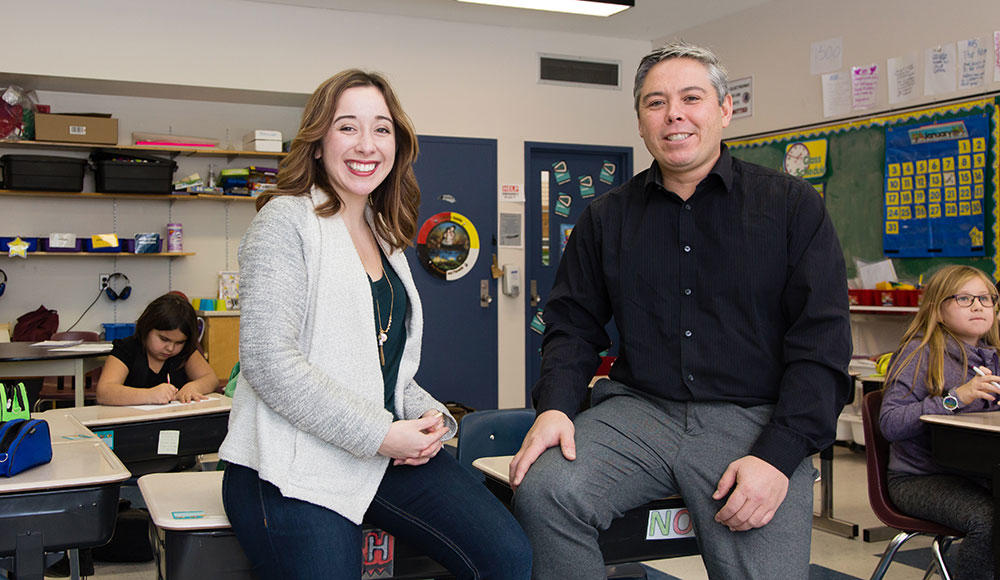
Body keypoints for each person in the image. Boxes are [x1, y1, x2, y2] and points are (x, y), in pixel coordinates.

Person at [509, 41, 852, 579]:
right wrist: (555, 407)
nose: (674, 115)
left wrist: (778, 455)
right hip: (639, 413)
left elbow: (822, 345)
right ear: (640, 121)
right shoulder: (606, 218)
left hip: (753, 420)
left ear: (724, 109)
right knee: (546, 490)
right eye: (656, 102)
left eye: (691, 98)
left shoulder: (791, 207)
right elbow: (572, 326)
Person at [218, 69, 531, 579]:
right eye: (347, 127)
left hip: (377, 454)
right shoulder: (285, 221)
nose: (367, 144)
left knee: (507, 556)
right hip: (290, 463)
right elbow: (269, 363)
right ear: (317, 142)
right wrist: (381, 433)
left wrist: (429, 416)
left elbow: (383, 368)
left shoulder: (382, 233)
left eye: (381, 129)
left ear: (397, 144)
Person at [880, 265, 998, 580]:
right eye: (964, 298)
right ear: (938, 310)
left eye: (986, 298)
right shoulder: (919, 354)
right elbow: (890, 423)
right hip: (919, 478)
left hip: (977, 472)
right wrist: (955, 398)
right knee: (989, 520)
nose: (978, 306)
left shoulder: (993, 355)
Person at [96, 292, 217, 405]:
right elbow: (104, 392)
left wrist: (193, 387)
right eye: (164, 339)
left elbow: (211, 379)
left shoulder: (185, 351)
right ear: (147, 328)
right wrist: (149, 395)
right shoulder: (127, 348)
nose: (170, 348)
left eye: (179, 342)